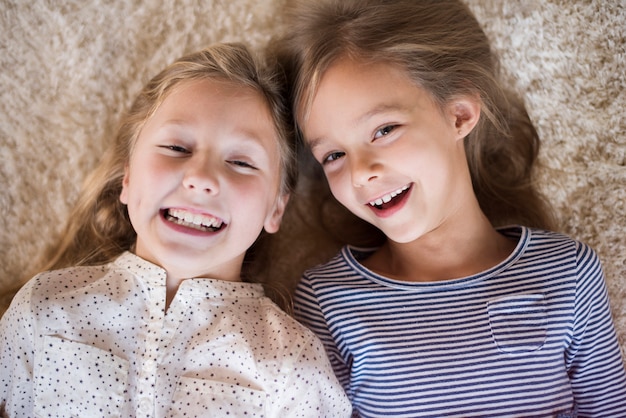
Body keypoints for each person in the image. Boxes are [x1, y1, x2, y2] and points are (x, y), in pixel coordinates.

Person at [273, 0, 626, 416]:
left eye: (384, 129)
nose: (360, 173)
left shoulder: (567, 274)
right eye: (333, 155)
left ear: (459, 113)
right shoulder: (329, 300)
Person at [0, 42, 351, 417]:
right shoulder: (45, 306)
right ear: (128, 178)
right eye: (176, 147)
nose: (201, 178)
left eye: (241, 162)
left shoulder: (291, 363)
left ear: (276, 208)